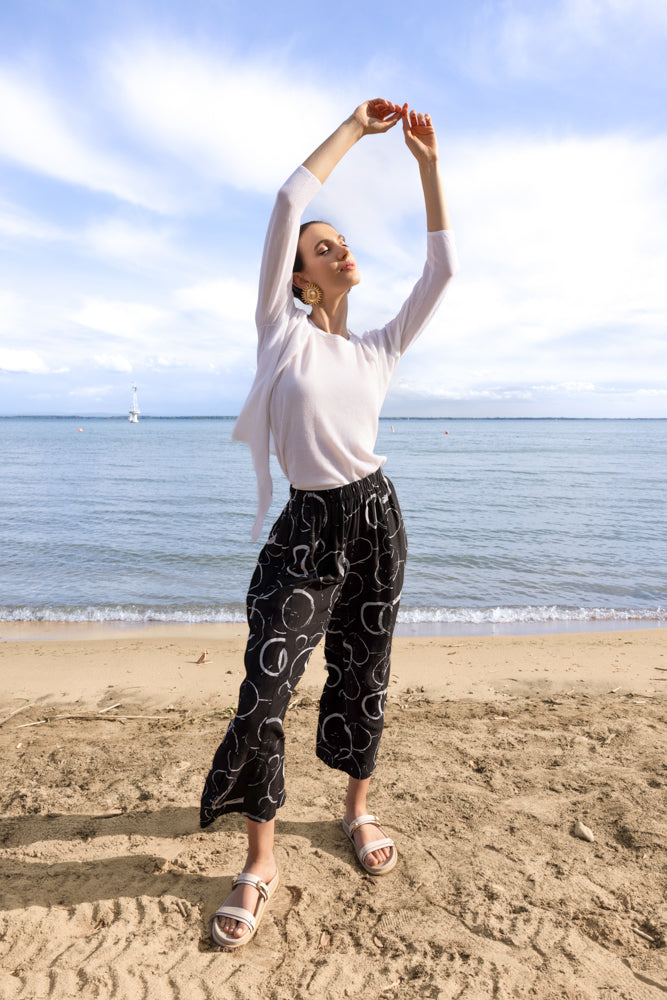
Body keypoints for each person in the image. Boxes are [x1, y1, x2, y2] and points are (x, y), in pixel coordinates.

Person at [200, 98, 458, 949]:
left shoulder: (376, 349)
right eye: (321, 248)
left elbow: (443, 274)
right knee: (267, 683)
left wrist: (426, 167)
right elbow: (285, 202)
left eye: (339, 239)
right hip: (308, 527)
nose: (335, 245)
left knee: (364, 670)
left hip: (377, 519)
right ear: (300, 280)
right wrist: (354, 128)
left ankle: (355, 809)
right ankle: (260, 859)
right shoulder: (281, 336)